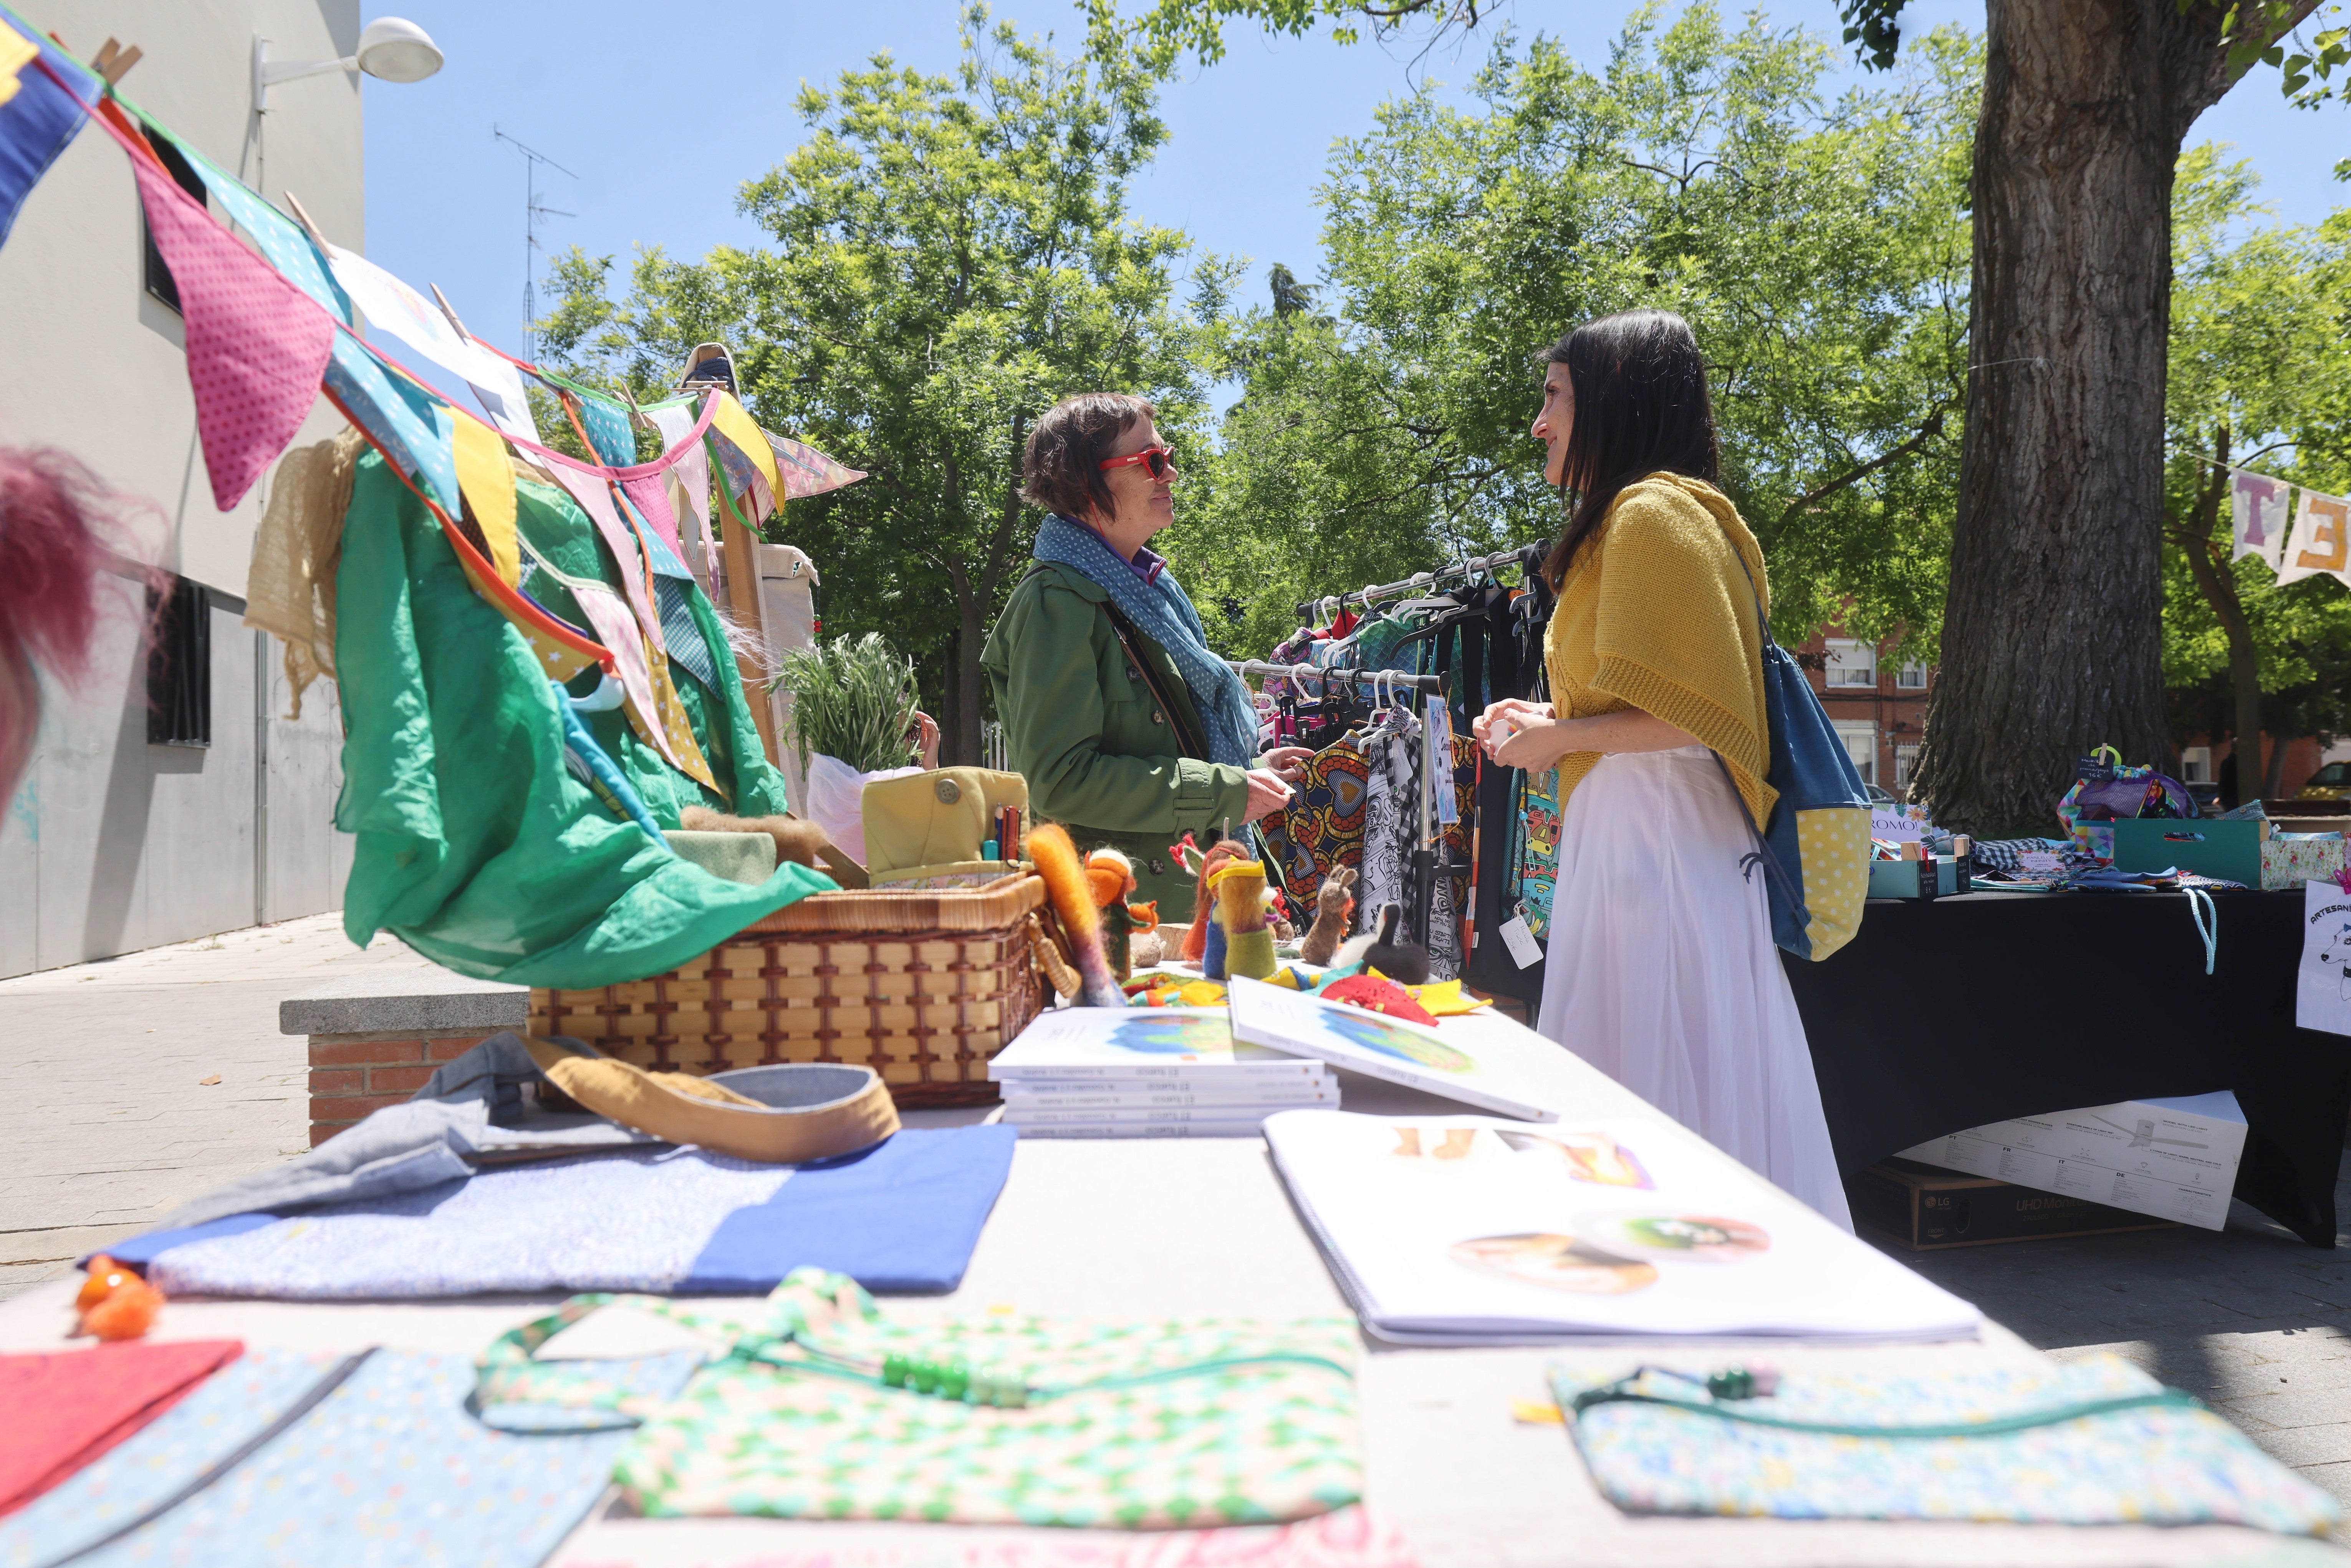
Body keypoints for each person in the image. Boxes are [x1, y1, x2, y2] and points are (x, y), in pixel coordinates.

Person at [1472, 310, 1853, 1230]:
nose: (1539, 421)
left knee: (1652, 1074)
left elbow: (1694, 722)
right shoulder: (1642, 519)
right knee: (1669, 1071)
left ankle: (1673, 1282)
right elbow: (1662, 706)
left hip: (1659, 848)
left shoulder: (1649, 516)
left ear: (1611, 400)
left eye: (1555, 394)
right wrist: (1551, 721)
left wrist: (1558, 739)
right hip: (1650, 842)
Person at [982, 393, 1308, 919]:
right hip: (1119, 917)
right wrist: (1223, 789)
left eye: (1169, 456)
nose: (1172, 474)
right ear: (1086, 482)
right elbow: (1062, 781)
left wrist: (1246, 771)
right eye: (1153, 461)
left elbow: (1153, 741)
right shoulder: (1058, 602)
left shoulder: (1139, 592)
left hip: (1168, 904)